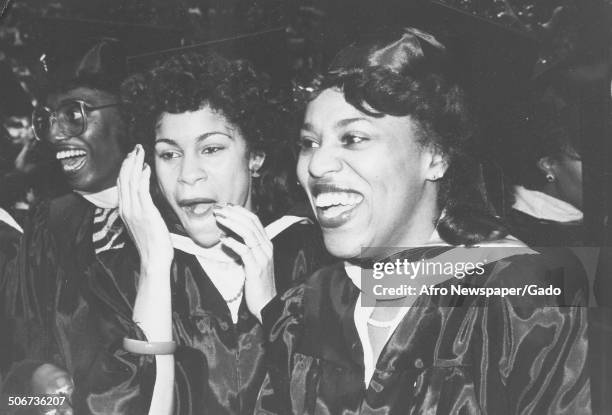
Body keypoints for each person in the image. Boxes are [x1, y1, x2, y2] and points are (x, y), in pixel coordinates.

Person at [254, 28, 591, 414]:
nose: (316, 164)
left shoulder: (521, 298)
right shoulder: (306, 304)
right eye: (309, 143)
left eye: (353, 138)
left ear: (435, 156)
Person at [116, 51, 330, 414]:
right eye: (169, 154)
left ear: (255, 157)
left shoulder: (317, 255)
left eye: (211, 148)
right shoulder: (121, 271)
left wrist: (271, 309)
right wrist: (153, 267)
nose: (188, 174)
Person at [0, 38, 144, 414]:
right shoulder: (48, 226)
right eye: (48, 120)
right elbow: (17, 349)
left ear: (128, 118)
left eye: (74, 115)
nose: (56, 135)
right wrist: (34, 377)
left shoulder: (181, 222)